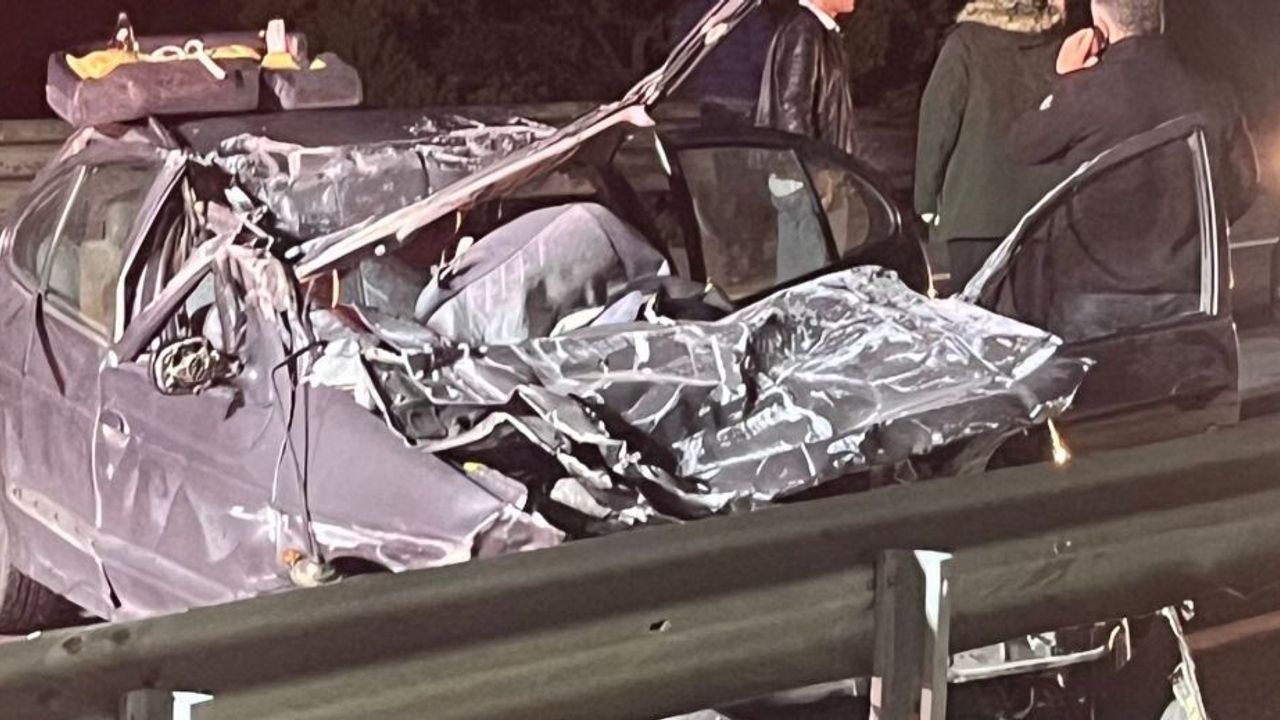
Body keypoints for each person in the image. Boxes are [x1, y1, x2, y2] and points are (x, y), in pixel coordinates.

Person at [1010, 0, 1258, 220]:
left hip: (1099, 253)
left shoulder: (1085, 93)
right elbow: (1244, 184)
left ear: (1100, 27)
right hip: (1192, 258)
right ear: (1159, 19)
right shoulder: (1215, 92)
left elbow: (1025, 145)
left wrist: (1065, 81)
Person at [914, 0, 1069, 290]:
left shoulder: (966, 43)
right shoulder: (1061, 46)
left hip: (972, 215)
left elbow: (939, 121)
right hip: (1041, 215)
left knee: (973, 311)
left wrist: (926, 198)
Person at [756, 0, 859, 156]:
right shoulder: (803, 30)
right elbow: (791, 110)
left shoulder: (818, 31)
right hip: (811, 166)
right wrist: (811, 163)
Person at [671, 0, 777, 127]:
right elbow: (763, 55)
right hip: (744, 98)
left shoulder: (695, 9)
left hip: (710, 97)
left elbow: (680, 49)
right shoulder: (751, 11)